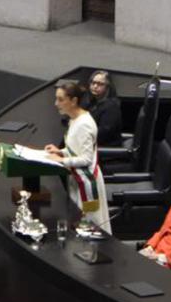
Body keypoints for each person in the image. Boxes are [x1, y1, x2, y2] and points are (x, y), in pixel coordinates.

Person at [44, 80, 109, 233]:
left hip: (87, 181)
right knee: (78, 224)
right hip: (77, 178)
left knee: (89, 227)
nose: (56, 103)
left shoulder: (85, 124)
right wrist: (62, 151)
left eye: (60, 99)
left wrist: (62, 160)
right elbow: (76, 149)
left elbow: (86, 159)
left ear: (73, 101)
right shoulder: (75, 119)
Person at [83, 70, 123, 147]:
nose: (95, 86)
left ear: (108, 87)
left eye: (100, 84)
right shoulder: (91, 103)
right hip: (91, 145)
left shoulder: (112, 106)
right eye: (93, 83)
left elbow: (104, 133)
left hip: (105, 150)